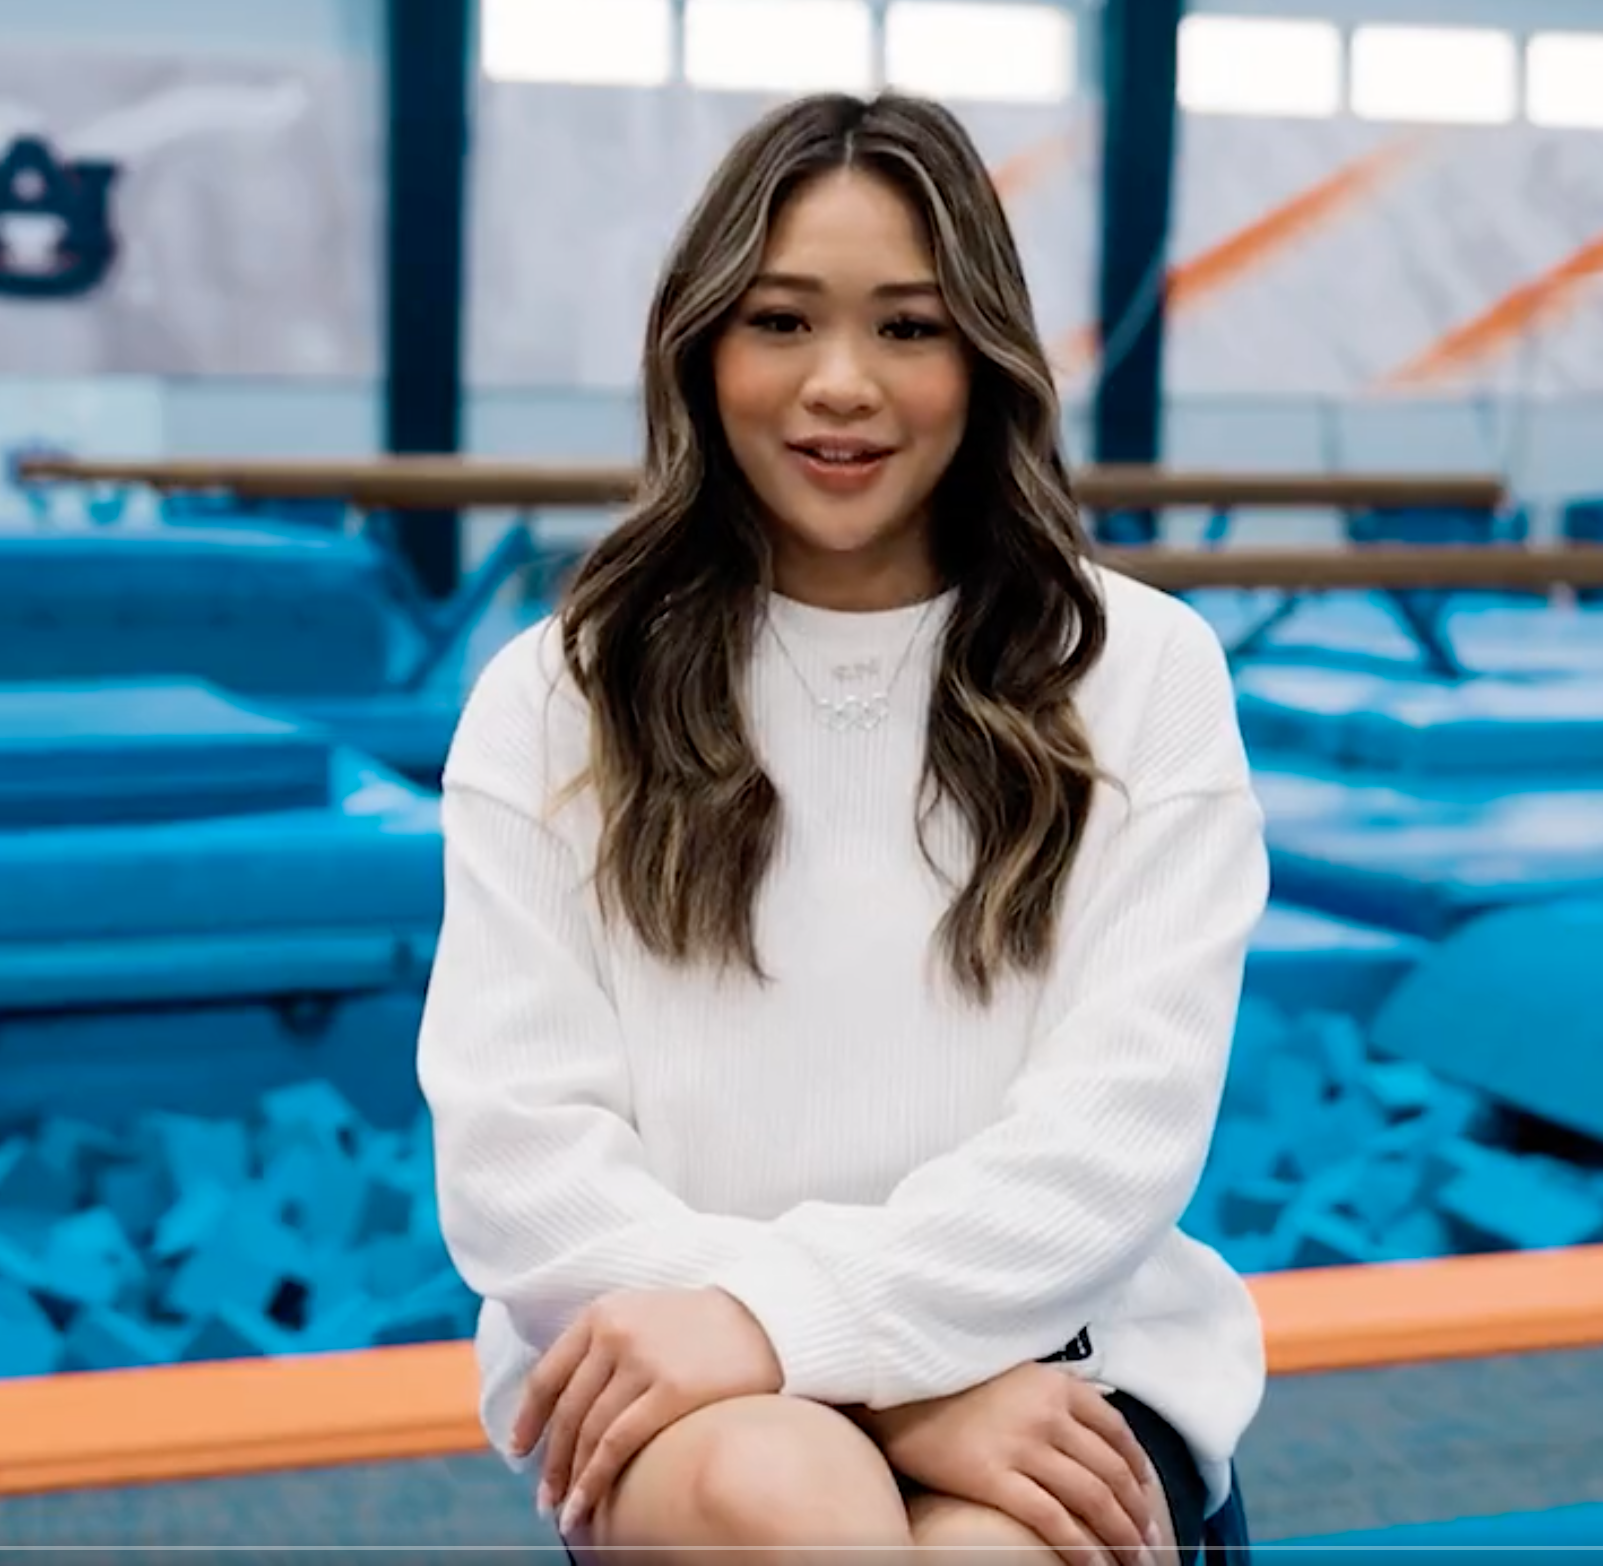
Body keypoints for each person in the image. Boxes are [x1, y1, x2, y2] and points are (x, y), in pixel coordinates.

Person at [417, 90, 1268, 1566]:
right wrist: (877, 1382)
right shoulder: (560, 696)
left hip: (1059, 1364)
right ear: (702, 347)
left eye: (907, 327)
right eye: (782, 321)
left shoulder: (1138, 673)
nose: (841, 385)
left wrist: (801, 1331)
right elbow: (519, 1161)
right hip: (690, 1397)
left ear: (983, 356)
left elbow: (1114, 1138)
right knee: (783, 1494)